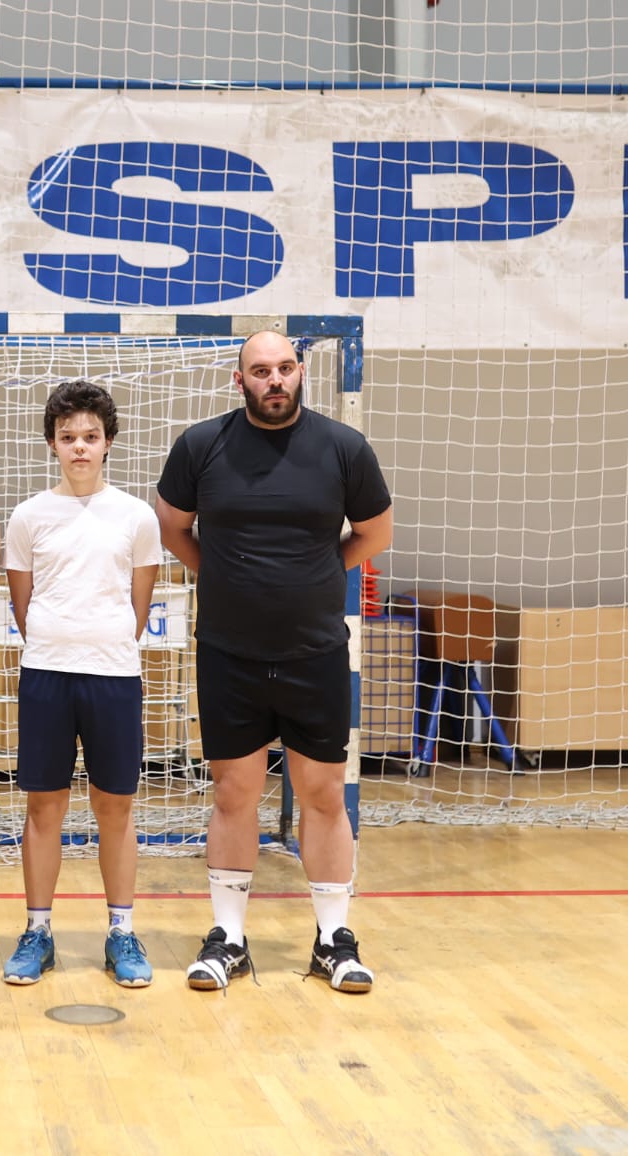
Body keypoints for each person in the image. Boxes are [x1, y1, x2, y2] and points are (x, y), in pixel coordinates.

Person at [154, 330, 394, 994]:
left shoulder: (344, 448)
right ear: (241, 381)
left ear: (301, 371)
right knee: (234, 793)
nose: (275, 380)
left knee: (324, 795)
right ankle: (228, 937)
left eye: (285, 367)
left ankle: (333, 938)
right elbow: (173, 526)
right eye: (261, 371)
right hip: (228, 652)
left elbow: (374, 532)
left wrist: (317, 572)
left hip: (314, 652)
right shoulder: (202, 445)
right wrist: (222, 574)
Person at [0, 381, 161, 988]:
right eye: (68, 437)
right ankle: (37, 931)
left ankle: (121, 931)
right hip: (46, 674)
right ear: (52, 443)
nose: (79, 448)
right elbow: (22, 604)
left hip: (113, 676)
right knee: (44, 806)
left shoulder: (137, 517)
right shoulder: (28, 516)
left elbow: (139, 606)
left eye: (90, 437)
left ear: (108, 442)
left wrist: (103, 641)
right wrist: (58, 640)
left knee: (114, 806)